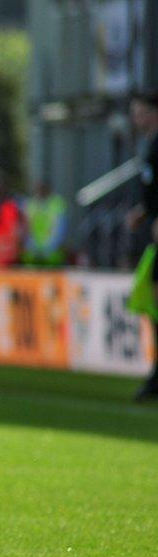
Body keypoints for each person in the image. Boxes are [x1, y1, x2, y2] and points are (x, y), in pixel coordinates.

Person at [125, 91, 158, 401]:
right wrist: (143, 213)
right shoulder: (149, 146)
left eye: (141, 112)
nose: (137, 119)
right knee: (151, 304)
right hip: (152, 237)